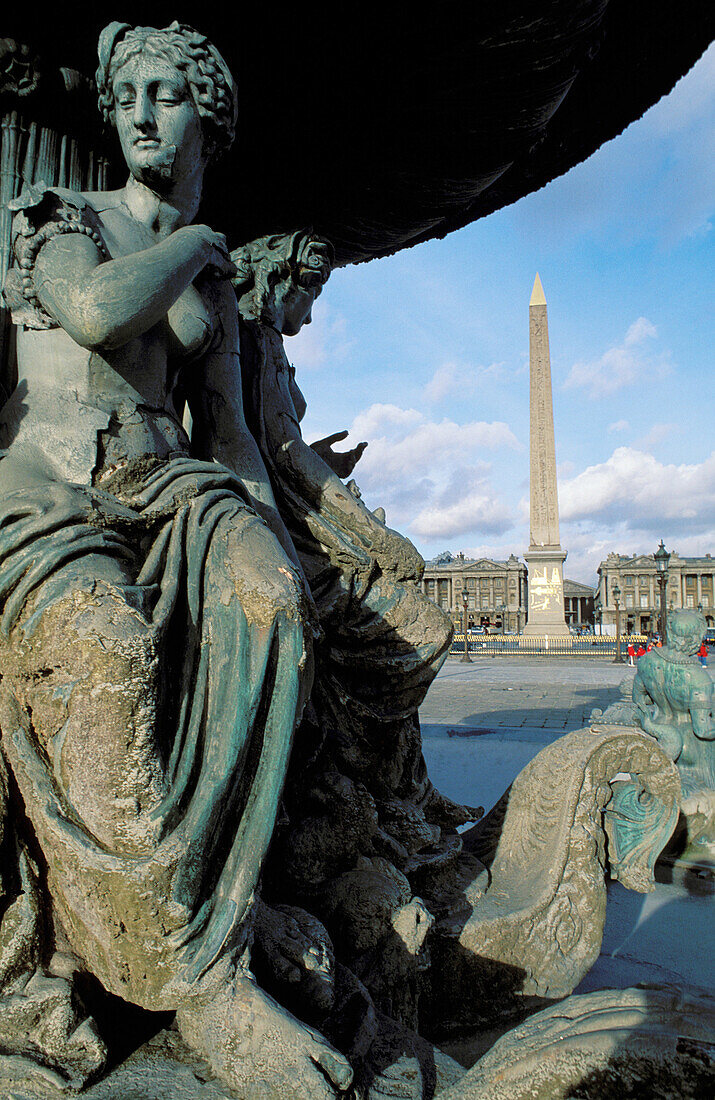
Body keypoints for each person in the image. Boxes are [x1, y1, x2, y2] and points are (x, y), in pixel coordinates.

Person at [0, 21, 353, 1098]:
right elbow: (96, 311)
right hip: (55, 487)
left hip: (171, 487)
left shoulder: (220, 302)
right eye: (130, 96)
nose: (144, 114)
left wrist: (286, 560)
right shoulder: (65, 219)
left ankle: (220, 888)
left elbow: (237, 441)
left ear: (209, 117)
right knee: (104, 644)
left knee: (267, 605)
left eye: (169, 96)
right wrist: (199, 248)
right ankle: (196, 973)